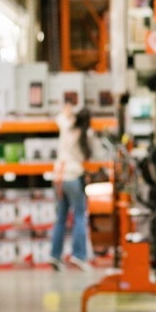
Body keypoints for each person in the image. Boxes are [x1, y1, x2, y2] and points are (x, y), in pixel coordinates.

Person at [51, 103, 92, 270]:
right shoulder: (87, 134)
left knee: (60, 218)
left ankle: (54, 255)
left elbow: (59, 117)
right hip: (74, 177)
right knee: (79, 216)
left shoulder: (66, 126)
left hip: (59, 177)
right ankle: (79, 255)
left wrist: (67, 110)